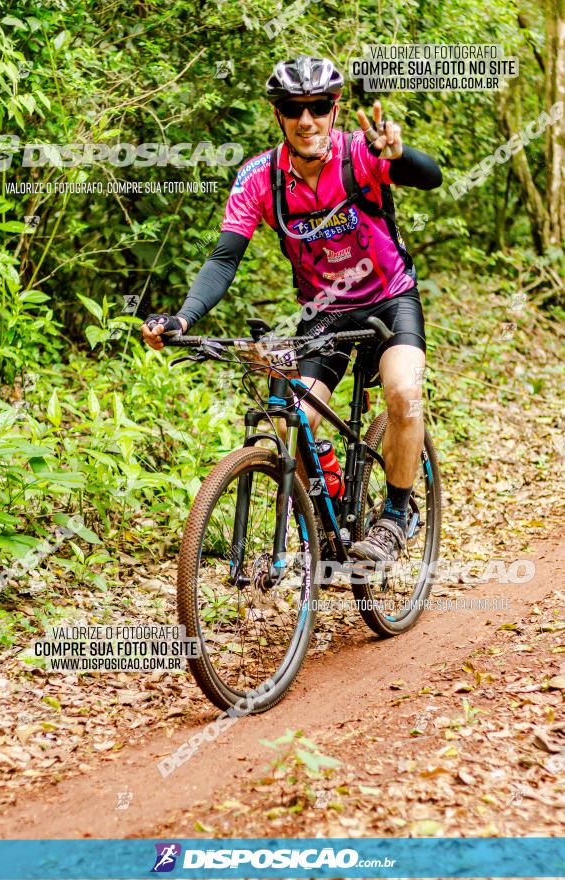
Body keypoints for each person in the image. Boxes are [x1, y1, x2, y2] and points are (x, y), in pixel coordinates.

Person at [141, 55, 442, 564]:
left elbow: (430, 177)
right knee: (289, 424)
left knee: (404, 391)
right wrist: (183, 318)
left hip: (389, 299)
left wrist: (400, 152)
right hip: (324, 311)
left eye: (319, 107)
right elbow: (223, 258)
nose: (307, 120)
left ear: (334, 108)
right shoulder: (259, 178)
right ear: (278, 115)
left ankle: (396, 514)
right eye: (294, 109)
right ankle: (322, 523)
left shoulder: (360, 154)